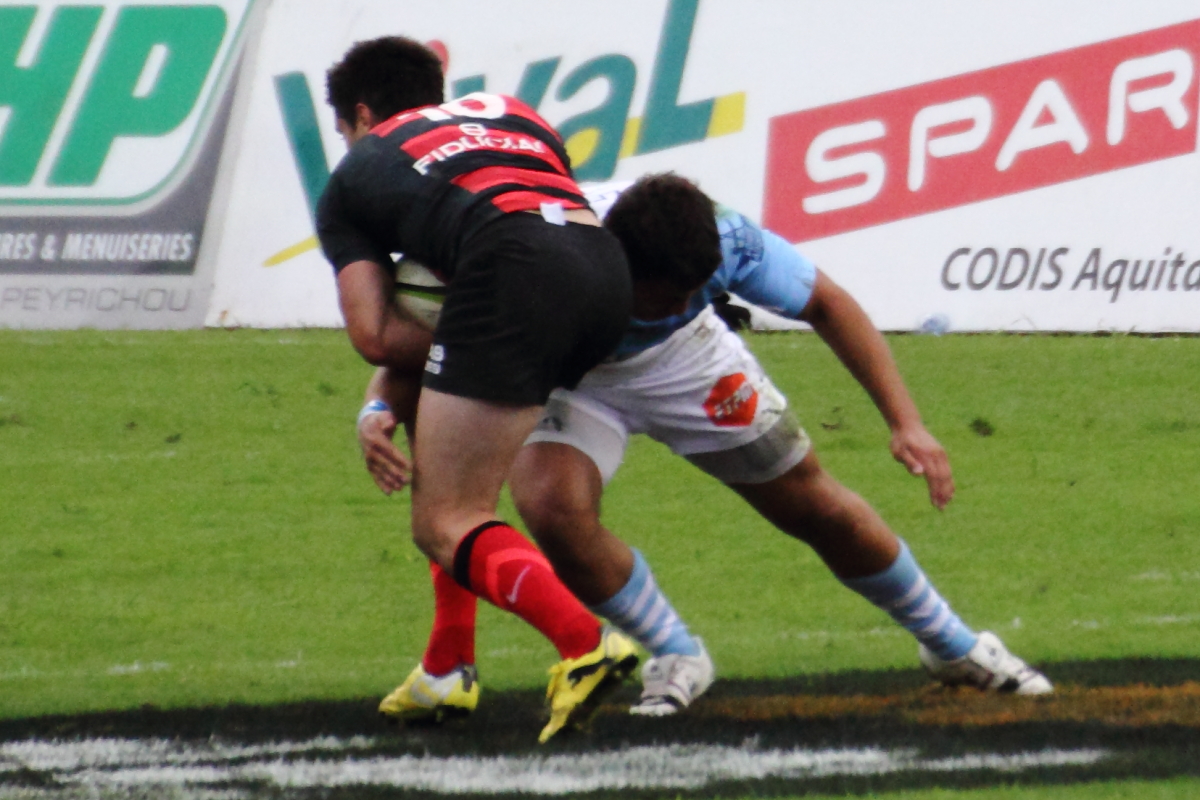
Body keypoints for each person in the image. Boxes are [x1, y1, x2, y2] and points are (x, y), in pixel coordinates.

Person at [358, 174, 1052, 722]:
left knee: (813, 506)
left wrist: (907, 423)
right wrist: (379, 405)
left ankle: (953, 644)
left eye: (697, 290)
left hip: (685, 362)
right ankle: (676, 654)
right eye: (668, 295)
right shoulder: (539, 256)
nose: (686, 300)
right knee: (550, 506)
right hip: (571, 380)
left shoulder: (723, 240)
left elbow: (828, 304)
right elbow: (434, 329)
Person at [317, 35, 648, 743]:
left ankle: (586, 644)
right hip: (604, 276)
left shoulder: (357, 175)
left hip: (511, 275)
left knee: (444, 520)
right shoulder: (513, 112)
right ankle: (447, 666)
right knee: (456, 470)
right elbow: (540, 215)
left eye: (343, 130)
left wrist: (437, 364)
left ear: (362, 116)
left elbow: (375, 333)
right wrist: (425, 378)